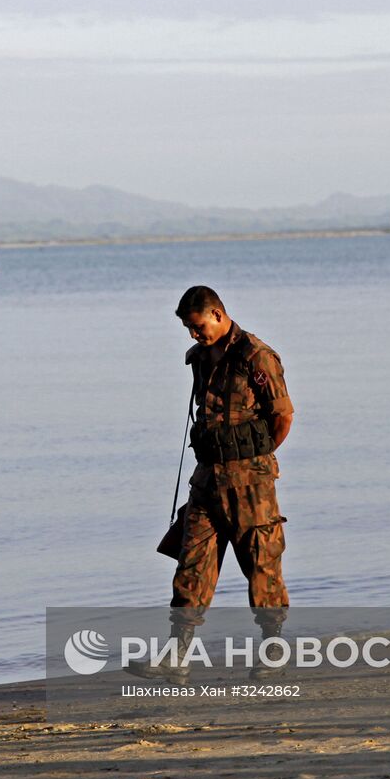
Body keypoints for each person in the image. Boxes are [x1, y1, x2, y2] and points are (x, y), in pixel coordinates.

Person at [127, 285, 295, 683]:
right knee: (191, 567)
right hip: (206, 481)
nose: (192, 335)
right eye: (188, 328)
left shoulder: (256, 355)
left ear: (218, 314)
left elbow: (282, 415)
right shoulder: (200, 358)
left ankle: (273, 653)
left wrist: (254, 456)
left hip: (250, 483)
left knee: (262, 566)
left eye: (197, 326)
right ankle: (177, 657)